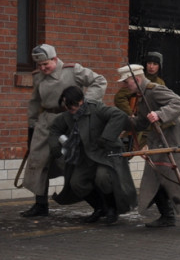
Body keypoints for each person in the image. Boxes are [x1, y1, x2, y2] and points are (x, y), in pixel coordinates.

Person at [21, 44, 108, 218]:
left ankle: (100, 205)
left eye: (46, 64)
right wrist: (31, 126)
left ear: (55, 59)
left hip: (69, 121)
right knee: (38, 162)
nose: (43, 68)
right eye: (39, 65)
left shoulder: (73, 70)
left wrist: (83, 103)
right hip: (45, 122)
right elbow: (35, 102)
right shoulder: (38, 77)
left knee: (72, 165)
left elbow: (100, 81)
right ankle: (40, 204)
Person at [117, 64, 180, 228]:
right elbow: (142, 122)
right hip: (159, 140)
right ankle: (167, 215)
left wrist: (160, 114)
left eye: (126, 82)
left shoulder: (154, 90)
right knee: (155, 178)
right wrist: (123, 123)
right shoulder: (141, 95)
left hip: (175, 138)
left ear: (136, 79)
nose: (124, 86)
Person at [47, 86, 137, 224]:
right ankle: (100, 208)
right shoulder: (67, 116)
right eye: (67, 105)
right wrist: (54, 146)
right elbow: (54, 129)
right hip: (84, 157)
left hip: (105, 154)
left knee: (103, 178)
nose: (70, 108)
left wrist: (106, 137)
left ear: (81, 101)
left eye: (73, 105)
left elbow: (118, 115)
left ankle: (112, 209)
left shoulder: (97, 108)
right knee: (77, 183)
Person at [114, 51, 165, 115]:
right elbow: (119, 98)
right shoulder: (139, 79)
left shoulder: (160, 82)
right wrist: (131, 114)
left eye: (155, 64)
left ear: (159, 66)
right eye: (149, 63)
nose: (151, 66)